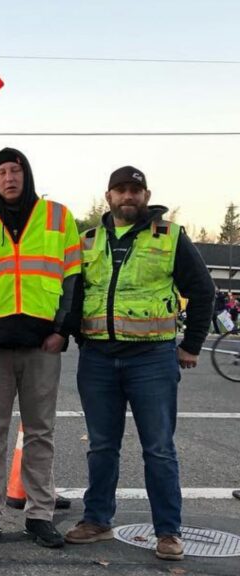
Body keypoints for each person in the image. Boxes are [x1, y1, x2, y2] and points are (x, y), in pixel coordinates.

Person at [65, 166, 214, 561]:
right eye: (121, 190)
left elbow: (204, 289)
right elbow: (74, 295)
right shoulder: (88, 240)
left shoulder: (170, 237)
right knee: (101, 447)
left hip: (152, 357)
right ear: (109, 196)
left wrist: (193, 345)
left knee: (159, 449)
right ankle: (97, 520)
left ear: (146, 195)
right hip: (97, 357)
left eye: (135, 190)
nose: (127, 196)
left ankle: (168, 531)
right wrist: (78, 336)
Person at [0, 148, 81, 548]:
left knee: (40, 433)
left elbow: (74, 280)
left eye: (15, 171)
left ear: (26, 174)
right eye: (1, 173)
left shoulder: (58, 217)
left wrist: (63, 330)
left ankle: (40, 515)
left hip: (42, 345)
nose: (9, 178)